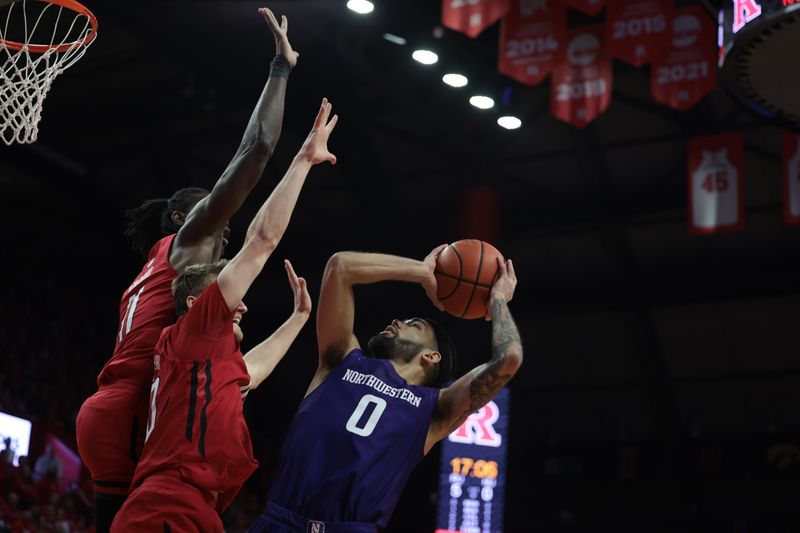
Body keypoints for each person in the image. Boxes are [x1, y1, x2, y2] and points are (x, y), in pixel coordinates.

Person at [75, 8, 299, 531]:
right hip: (139, 413)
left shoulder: (153, 271)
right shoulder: (187, 242)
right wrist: (281, 70)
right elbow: (256, 149)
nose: (223, 228)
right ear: (182, 218)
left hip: (110, 408)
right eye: (213, 216)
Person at [111, 94, 338, 532]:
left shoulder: (206, 360)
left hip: (197, 509)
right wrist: (303, 162)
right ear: (198, 306)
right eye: (229, 301)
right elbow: (263, 240)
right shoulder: (193, 333)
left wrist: (298, 319)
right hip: (166, 504)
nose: (243, 306)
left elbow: (251, 371)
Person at [250, 248, 523, 532]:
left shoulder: (434, 409)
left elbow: (509, 359)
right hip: (279, 521)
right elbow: (340, 267)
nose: (396, 322)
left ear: (431, 357)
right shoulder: (341, 360)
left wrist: (498, 300)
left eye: (413, 325)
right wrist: (422, 271)